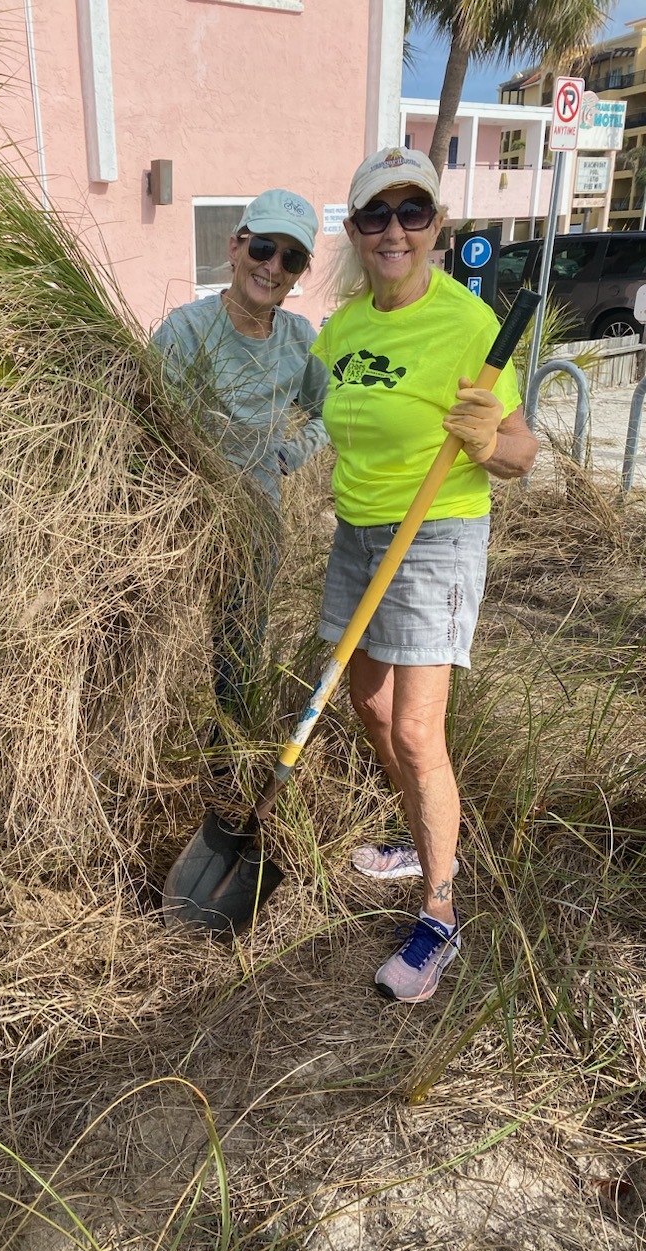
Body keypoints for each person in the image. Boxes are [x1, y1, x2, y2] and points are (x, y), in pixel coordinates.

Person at [310, 146, 537, 1003]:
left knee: (413, 731)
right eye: (377, 215)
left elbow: (521, 452)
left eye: (413, 214)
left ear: (436, 226)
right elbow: (307, 404)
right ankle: (417, 834)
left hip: (437, 530)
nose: (394, 231)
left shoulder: (470, 324)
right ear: (357, 230)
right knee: (366, 705)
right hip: (358, 530)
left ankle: (439, 912)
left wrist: (490, 441)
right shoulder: (344, 326)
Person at [151, 189, 329, 725]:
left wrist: (290, 455)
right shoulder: (184, 330)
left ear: (300, 273)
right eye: (264, 249)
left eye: (290, 258)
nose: (272, 267)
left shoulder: (301, 339)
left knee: (238, 650)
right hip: (179, 518)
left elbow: (331, 414)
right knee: (149, 643)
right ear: (236, 247)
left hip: (255, 521)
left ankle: (225, 757)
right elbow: (143, 423)